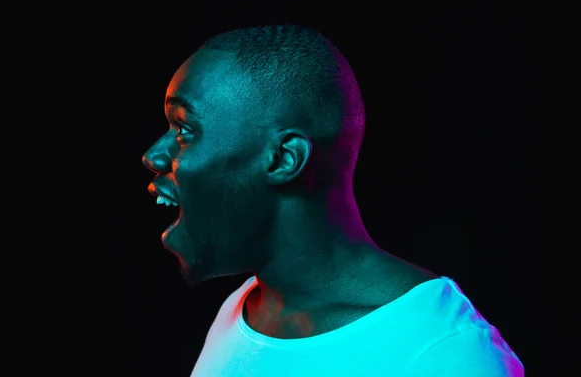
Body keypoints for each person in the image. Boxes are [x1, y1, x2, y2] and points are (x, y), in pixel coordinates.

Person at [142, 25, 524, 376]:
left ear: (282, 159)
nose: (153, 156)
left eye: (184, 129)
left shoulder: (446, 355)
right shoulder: (241, 313)